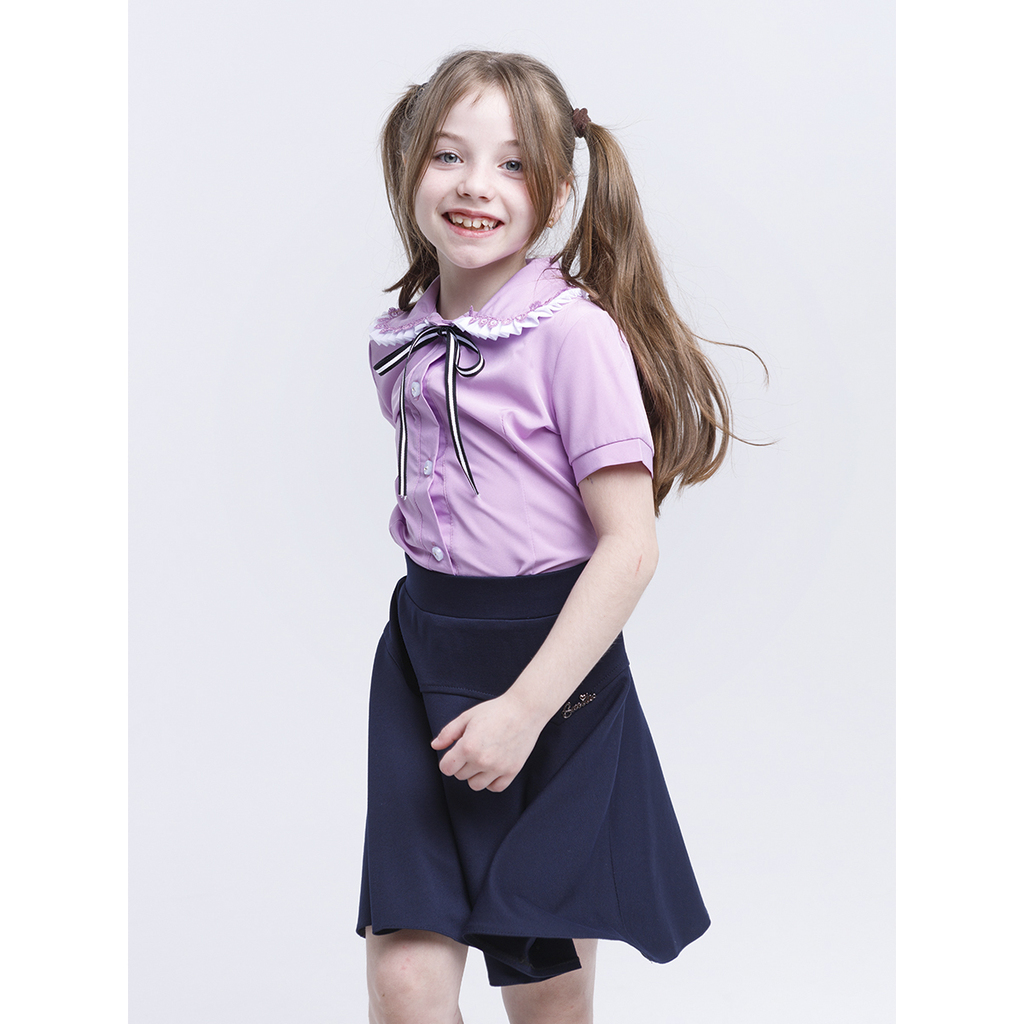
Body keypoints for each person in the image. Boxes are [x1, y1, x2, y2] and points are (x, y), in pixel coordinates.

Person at [358, 50, 744, 1024]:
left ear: (559, 193)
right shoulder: (403, 333)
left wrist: (525, 711)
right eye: (448, 154)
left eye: (512, 164)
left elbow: (630, 545)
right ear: (409, 165)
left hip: (551, 676)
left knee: (544, 994)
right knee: (403, 981)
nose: (475, 184)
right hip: (423, 659)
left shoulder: (573, 334)